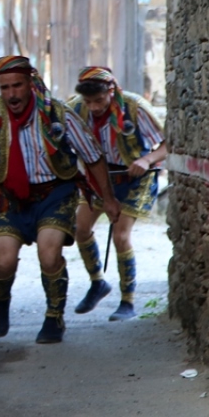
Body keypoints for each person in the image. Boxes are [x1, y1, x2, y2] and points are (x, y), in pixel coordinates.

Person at [0, 55, 115, 344]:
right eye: (4, 87)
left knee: (49, 253)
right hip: (10, 198)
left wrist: (108, 199)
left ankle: (54, 315)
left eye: (17, 85)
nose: (11, 94)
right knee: (2, 262)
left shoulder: (58, 114)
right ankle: (1, 299)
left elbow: (92, 157)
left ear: (30, 82)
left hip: (54, 193)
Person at [69, 66, 167, 321]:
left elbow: (169, 143)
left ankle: (127, 301)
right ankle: (97, 282)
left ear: (111, 91)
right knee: (80, 228)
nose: (92, 107)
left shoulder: (135, 108)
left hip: (137, 176)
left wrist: (147, 160)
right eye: (88, 101)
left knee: (121, 236)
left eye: (99, 100)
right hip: (101, 177)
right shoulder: (76, 110)